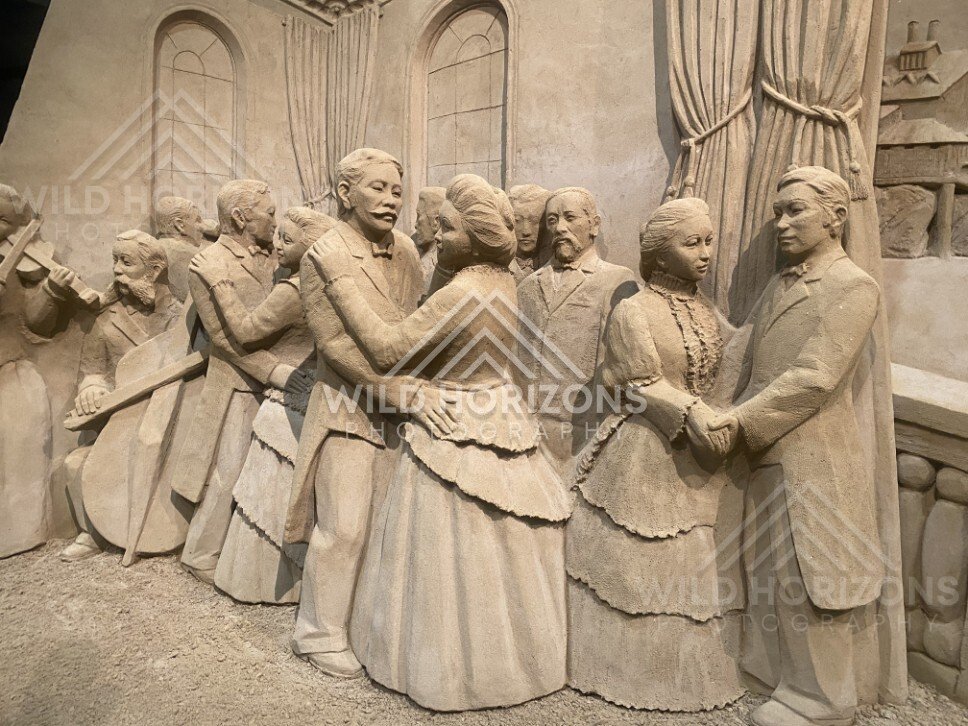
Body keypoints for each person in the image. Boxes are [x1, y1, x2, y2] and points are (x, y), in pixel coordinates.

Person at [311, 173, 569, 711]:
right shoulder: (501, 281)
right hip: (495, 409)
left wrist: (337, 278)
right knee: (495, 550)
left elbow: (385, 348)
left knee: (445, 549)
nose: (438, 236)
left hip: (456, 418)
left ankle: (444, 671)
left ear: (473, 236)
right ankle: (509, 667)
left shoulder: (464, 290)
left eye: (448, 229)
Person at [565, 198, 743, 711]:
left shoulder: (707, 310)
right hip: (644, 451)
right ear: (660, 257)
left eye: (709, 240)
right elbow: (638, 382)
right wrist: (692, 411)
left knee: (689, 569)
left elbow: (730, 355)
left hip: (696, 458)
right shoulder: (633, 310)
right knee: (636, 567)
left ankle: (679, 678)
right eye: (692, 243)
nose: (705, 253)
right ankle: (623, 674)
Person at [720, 167, 883, 726]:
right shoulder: (781, 282)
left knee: (811, 577)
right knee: (773, 573)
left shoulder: (854, 286)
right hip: (771, 456)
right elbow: (746, 348)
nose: (781, 223)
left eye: (794, 211)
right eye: (777, 213)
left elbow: (815, 377)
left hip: (813, 459)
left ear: (836, 218)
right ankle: (785, 680)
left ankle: (825, 699)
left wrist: (739, 421)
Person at [284, 149, 431, 678]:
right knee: (343, 527)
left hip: (400, 406)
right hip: (347, 404)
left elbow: (415, 321)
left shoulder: (408, 250)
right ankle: (317, 633)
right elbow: (334, 345)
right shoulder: (323, 253)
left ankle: (369, 625)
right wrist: (389, 391)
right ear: (346, 194)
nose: (392, 200)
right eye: (379, 188)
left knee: (388, 523)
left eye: (397, 189)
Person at [172, 180, 312, 585]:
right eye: (268, 213)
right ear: (240, 217)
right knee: (227, 469)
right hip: (237, 381)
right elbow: (224, 340)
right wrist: (275, 372)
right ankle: (201, 552)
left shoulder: (278, 256)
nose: (274, 219)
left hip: (280, 381)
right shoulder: (208, 264)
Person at [200, 207, 337, 604]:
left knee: (270, 487)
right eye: (278, 234)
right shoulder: (327, 284)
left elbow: (245, 331)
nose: (277, 244)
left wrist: (219, 283)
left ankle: (257, 580)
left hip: (285, 394)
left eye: (287, 240)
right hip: (310, 391)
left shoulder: (293, 291)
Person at [59, 230, 183, 561]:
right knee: (75, 464)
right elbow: (93, 371)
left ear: (154, 271)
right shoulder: (106, 320)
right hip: (118, 420)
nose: (116, 271)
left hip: (167, 419)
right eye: (114, 261)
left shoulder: (181, 318)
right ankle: (93, 532)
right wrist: (93, 388)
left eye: (126, 262)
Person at [516, 187, 638, 476]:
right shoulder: (528, 287)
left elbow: (623, 368)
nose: (560, 228)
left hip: (585, 437)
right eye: (552, 221)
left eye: (570, 218)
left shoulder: (617, 281)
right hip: (529, 435)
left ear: (594, 225)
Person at [0, 184, 82, 558]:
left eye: (3, 220)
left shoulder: (22, 263)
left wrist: (51, 290)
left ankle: (19, 535)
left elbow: (38, 325)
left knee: (22, 450)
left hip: (11, 370)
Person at [153, 196, 209, 303]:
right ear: (179, 225)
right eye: (198, 220)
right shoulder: (185, 253)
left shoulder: (158, 245)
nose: (203, 227)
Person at [508, 183, 551, 283]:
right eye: (517, 220)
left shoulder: (554, 265)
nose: (526, 231)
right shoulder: (497, 269)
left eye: (535, 221)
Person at [412, 186, 446, 290]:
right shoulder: (413, 250)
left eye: (419, 217)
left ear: (436, 221)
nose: (415, 225)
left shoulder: (441, 266)